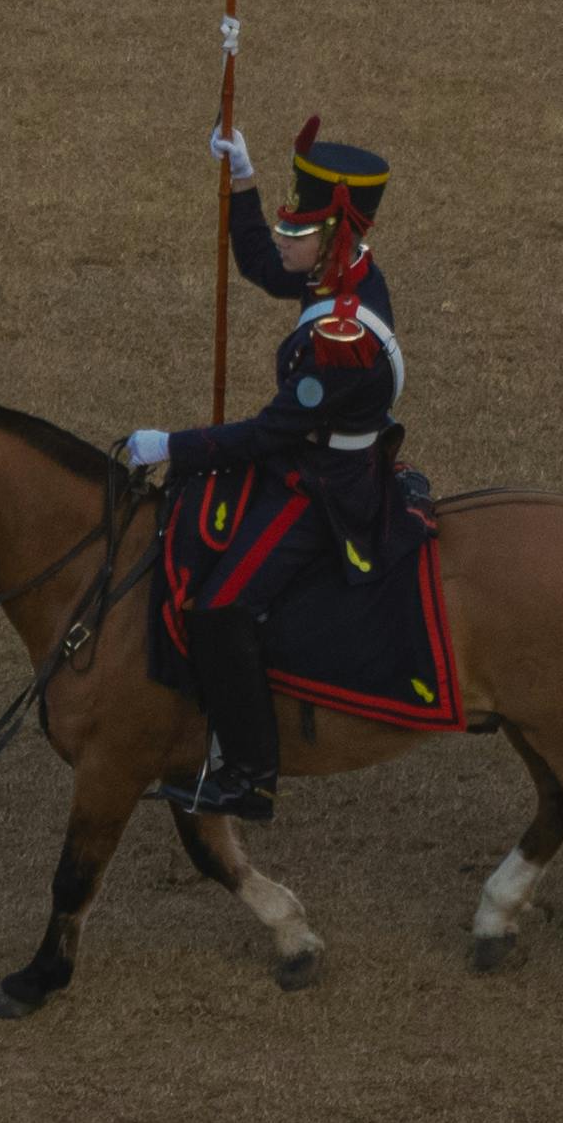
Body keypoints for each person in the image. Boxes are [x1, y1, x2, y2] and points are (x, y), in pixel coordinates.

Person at [124, 116, 413, 823]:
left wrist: (171, 446)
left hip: (327, 488)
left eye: (296, 230)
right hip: (303, 461)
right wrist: (244, 178)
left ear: (332, 235)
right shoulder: (339, 271)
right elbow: (258, 261)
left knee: (220, 603)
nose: (284, 239)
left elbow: (267, 433)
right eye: (286, 226)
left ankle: (249, 775)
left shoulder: (343, 336)